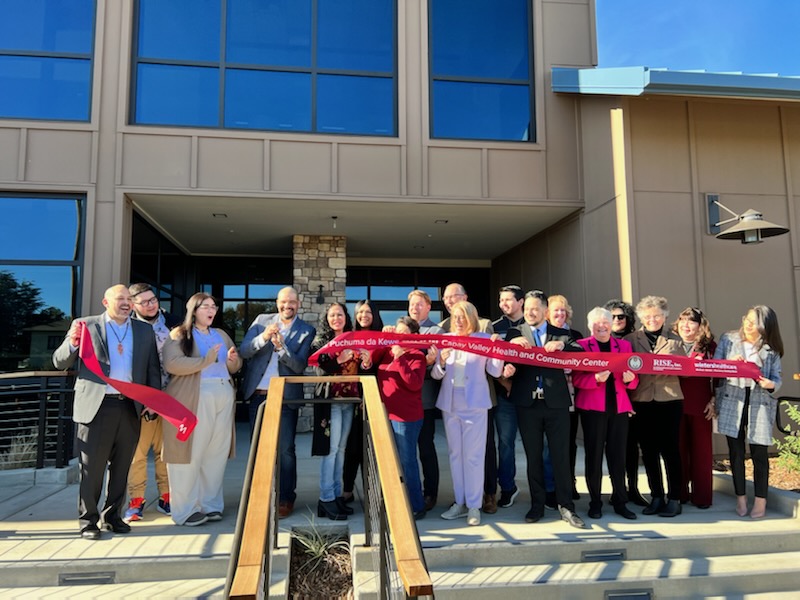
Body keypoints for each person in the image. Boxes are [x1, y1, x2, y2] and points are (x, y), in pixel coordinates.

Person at [52, 284, 160, 540]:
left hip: (129, 407)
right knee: (92, 469)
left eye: (129, 299)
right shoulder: (85, 325)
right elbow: (59, 361)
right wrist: (73, 343)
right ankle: (88, 521)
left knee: (122, 467)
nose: (126, 303)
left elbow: (152, 368)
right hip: (96, 408)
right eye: (120, 298)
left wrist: (153, 400)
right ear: (105, 302)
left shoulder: (144, 330)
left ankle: (113, 517)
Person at [505, 291, 586, 529]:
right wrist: (511, 345)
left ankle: (566, 506)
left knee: (561, 456)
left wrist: (561, 345)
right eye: (527, 308)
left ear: (544, 311)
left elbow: (579, 352)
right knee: (534, 457)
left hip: (556, 403)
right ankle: (537, 504)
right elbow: (501, 349)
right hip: (527, 404)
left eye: (535, 309)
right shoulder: (515, 332)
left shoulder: (561, 332)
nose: (531, 312)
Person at [162, 293, 242, 526]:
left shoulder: (222, 335)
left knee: (216, 453)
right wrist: (204, 361)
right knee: (190, 452)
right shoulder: (179, 334)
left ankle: (210, 505)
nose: (211, 310)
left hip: (223, 394)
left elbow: (235, 366)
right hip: (195, 398)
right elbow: (172, 363)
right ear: (193, 310)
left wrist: (232, 361)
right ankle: (185, 510)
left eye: (213, 306)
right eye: (205, 306)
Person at [240, 286, 315, 519]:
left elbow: (300, 365)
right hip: (259, 395)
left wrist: (282, 348)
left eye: (292, 302)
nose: (287, 306)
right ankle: (260, 495)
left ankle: (285, 498)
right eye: (284, 302)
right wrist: (263, 338)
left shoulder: (306, 330)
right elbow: (244, 351)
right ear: (277, 303)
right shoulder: (262, 321)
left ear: (298, 304)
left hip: (285, 397)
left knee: (285, 451)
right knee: (259, 450)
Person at [432, 301, 503, 526]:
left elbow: (494, 370)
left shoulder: (482, 340)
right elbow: (435, 374)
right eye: (456, 317)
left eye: (463, 317)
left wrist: (497, 351)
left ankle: (474, 506)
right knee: (455, 455)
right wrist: (441, 362)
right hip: (451, 403)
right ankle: (459, 502)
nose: (459, 321)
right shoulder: (446, 340)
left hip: (475, 404)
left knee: (473, 457)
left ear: (472, 318)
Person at [715, 305, 783, 519]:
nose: (747, 324)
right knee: (735, 452)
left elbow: (777, 378)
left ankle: (760, 501)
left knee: (759, 453)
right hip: (732, 399)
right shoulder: (728, 339)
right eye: (747, 319)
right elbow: (715, 367)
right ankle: (741, 498)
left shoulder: (771, 348)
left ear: (765, 326)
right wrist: (728, 364)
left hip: (759, 401)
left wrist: (770, 384)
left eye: (754, 322)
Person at [573, 307, 638, 520]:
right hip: (593, 409)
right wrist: (595, 379)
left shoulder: (624, 345)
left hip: (619, 408)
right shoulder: (581, 346)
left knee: (618, 457)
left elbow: (635, 378)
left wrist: (631, 380)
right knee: (594, 457)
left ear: (611, 324)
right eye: (597, 323)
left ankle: (620, 500)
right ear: (589, 325)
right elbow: (576, 380)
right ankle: (595, 502)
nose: (602, 326)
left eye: (605, 322)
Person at [124, 283, 181, 522]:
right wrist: (145, 397)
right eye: (144, 302)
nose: (151, 305)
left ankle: (167, 496)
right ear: (134, 305)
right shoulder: (129, 327)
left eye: (153, 299)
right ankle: (136, 500)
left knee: (166, 452)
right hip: (143, 399)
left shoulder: (174, 323)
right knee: (137, 452)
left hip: (173, 396)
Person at [625, 295, 684, 517]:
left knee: (670, 451)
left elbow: (684, 369)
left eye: (657, 315)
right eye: (648, 316)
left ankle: (675, 498)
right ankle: (656, 496)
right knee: (648, 451)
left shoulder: (675, 340)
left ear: (665, 316)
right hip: (642, 400)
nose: (653, 319)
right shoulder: (632, 339)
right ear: (641, 317)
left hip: (669, 399)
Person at [365, 316, 427, 518]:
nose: (399, 336)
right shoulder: (387, 351)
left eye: (403, 333)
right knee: (389, 460)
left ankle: (416, 505)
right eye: (397, 332)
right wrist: (384, 337)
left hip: (406, 418)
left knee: (407, 461)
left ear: (413, 336)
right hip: (385, 414)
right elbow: (371, 359)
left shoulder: (417, 356)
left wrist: (400, 358)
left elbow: (414, 383)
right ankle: (393, 501)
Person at [311, 303, 366, 520]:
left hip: (350, 399)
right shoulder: (321, 340)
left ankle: (336, 496)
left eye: (340, 314)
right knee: (331, 450)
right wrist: (338, 360)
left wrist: (365, 359)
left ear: (346, 317)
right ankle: (325, 499)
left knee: (342, 449)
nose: (336, 318)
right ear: (327, 318)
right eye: (332, 315)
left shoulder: (354, 339)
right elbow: (318, 365)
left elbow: (360, 367)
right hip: (330, 399)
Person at [672, 307, 716, 509]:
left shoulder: (709, 347)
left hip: (701, 405)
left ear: (700, 325)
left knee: (702, 452)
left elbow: (720, 375)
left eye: (691, 322)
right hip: (674, 404)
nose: (686, 325)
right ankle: (679, 494)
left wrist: (714, 400)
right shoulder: (670, 344)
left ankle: (702, 496)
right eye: (682, 321)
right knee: (677, 451)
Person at [405, 290, 445, 511]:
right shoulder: (403, 330)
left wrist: (427, 364)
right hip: (403, 402)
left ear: (429, 307)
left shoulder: (436, 331)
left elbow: (439, 367)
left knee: (426, 448)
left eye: (420, 304)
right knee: (406, 451)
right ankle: (410, 491)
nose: (415, 308)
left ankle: (430, 493)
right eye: (412, 304)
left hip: (425, 400)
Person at [341, 299, 384, 505]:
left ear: (375, 314)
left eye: (368, 312)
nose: (364, 316)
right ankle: (347, 488)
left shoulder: (383, 337)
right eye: (360, 312)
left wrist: (368, 364)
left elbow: (382, 368)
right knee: (352, 447)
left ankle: (372, 491)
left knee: (371, 449)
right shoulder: (350, 336)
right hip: (351, 398)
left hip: (374, 399)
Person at [605, 299, 646, 506]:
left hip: (635, 400)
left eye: (621, 316)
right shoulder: (602, 339)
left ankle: (633, 488)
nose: (616, 320)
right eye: (612, 316)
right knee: (613, 449)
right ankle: (617, 489)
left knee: (631, 449)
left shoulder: (634, 340)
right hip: (610, 403)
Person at [490, 285, 525, 511]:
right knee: (505, 444)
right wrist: (506, 383)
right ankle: (507, 487)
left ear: (521, 301)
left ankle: (546, 490)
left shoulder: (531, 326)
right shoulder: (494, 328)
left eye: (509, 300)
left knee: (540, 446)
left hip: (533, 395)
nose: (504, 304)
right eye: (501, 300)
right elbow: (489, 363)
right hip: (505, 396)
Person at [548, 294, 583, 501]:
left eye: (563, 310)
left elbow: (582, 359)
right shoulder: (542, 335)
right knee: (549, 446)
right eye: (555, 310)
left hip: (571, 397)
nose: (560, 314)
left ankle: (570, 483)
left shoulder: (575, 335)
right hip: (548, 396)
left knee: (569, 444)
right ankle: (551, 486)